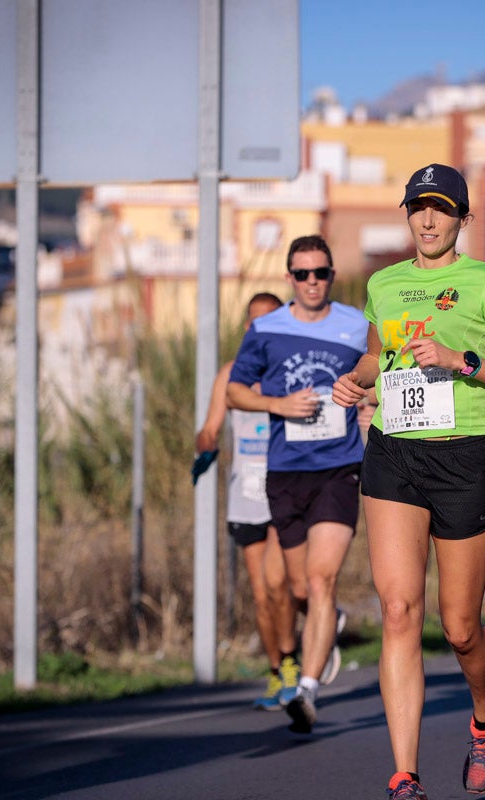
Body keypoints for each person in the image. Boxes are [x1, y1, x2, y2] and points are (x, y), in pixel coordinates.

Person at [333, 163, 485, 800]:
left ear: (462, 218)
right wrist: (356, 379)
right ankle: (405, 777)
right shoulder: (384, 283)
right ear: (407, 214)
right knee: (398, 611)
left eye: (442, 209)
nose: (428, 220)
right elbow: (379, 355)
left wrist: (461, 361)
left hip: (466, 462)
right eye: (418, 208)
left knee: (460, 629)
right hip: (395, 454)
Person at [226, 235, 366, 734]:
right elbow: (235, 391)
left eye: (320, 273)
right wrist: (277, 405)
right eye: (302, 274)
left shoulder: (357, 325)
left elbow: (379, 375)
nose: (312, 282)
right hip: (285, 471)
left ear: (332, 275)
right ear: (289, 278)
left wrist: (369, 405)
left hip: (339, 467)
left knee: (322, 579)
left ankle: (306, 689)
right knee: (298, 585)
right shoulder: (266, 329)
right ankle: (326, 628)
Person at [195, 292, 309, 710]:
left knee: (283, 584)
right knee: (262, 594)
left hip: (285, 488)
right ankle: (278, 670)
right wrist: (205, 444)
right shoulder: (230, 374)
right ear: (246, 327)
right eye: (254, 321)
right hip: (246, 494)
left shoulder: (294, 369)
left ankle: (298, 656)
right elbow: (209, 427)